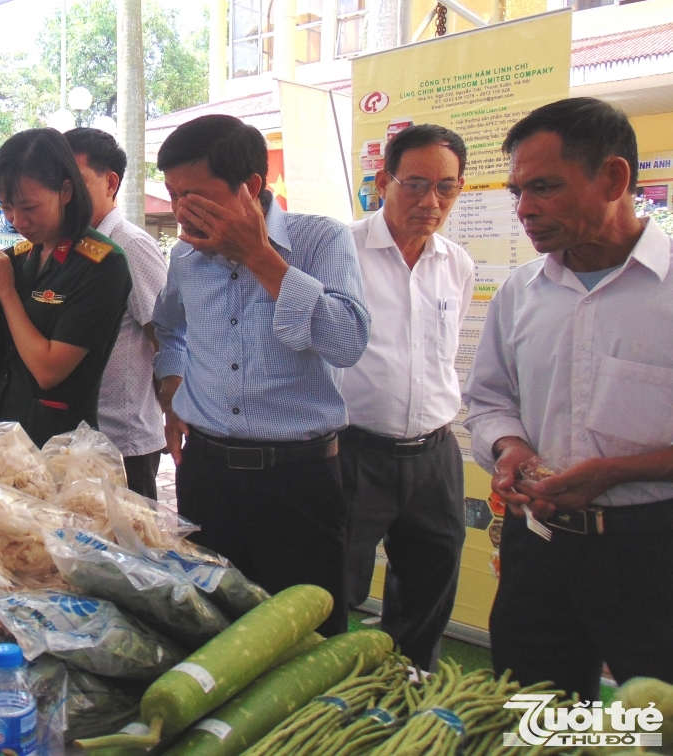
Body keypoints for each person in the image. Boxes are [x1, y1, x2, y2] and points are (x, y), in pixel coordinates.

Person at [463, 97, 673, 699]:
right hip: (541, 547)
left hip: (653, 549)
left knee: (655, 718)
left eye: (545, 188)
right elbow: (490, 398)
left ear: (613, 178)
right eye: (517, 192)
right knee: (533, 706)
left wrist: (612, 472)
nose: (525, 210)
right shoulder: (521, 293)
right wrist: (509, 448)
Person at [151, 114, 370, 636]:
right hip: (207, 474)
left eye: (195, 196)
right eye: (173, 194)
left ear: (251, 187)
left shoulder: (321, 241)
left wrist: (258, 256)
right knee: (213, 627)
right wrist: (173, 389)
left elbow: (347, 344)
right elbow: (168, 328)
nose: (181, 210)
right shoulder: (184, 257)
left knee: (306, 634)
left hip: (298, 480)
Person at [339, 124, 474, 670]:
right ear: (383, 181)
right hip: (353, 452)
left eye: (447, 187)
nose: (431, 201)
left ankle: (411, 685)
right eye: (415, 184)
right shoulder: (342, 252)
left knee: (429, 584)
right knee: (333, 586)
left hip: (435, 456)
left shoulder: (456, 264)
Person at [0, 128, 132, 447]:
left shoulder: (102, 265)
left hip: (56, 447)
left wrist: (7, 294)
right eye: (7, 207)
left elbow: (48, 370)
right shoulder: (18, 259)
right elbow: (2, 348)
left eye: (29, 207)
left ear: (65, 191)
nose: (17, 221)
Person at [65, 127, 168, 498]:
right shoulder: (74, 246)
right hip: (83, 434)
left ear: (110, 183)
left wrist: (171, 412)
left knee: (131, 544)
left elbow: (165, 336)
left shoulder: (131, 246)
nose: (66, 196)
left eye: (76, 182)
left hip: (125, 438)